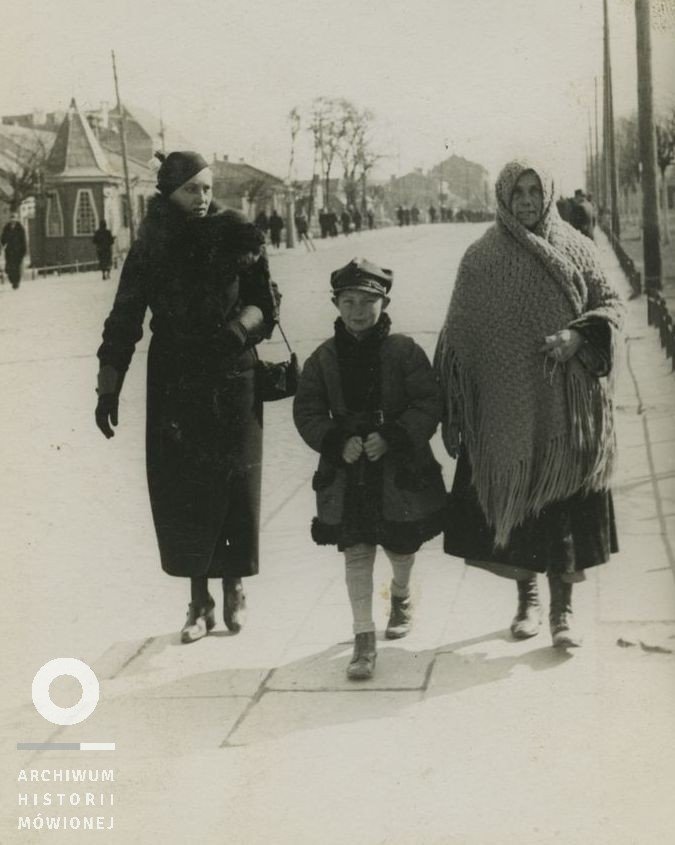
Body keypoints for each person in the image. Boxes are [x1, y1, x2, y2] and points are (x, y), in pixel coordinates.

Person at [435, 159, 624, 648]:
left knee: (564, 506)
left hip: (569, 404)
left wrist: (577, 337)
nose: (525, 200)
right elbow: (457, 338)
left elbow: (610, 306)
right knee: (520, 506)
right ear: (502, 196)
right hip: (508, 407)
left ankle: (563, 610)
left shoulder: (578, 247)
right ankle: (528, 601)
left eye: (534, 191)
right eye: (516, 191)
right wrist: (456, 409)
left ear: (549, 194)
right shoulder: (480, 259)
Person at [95, 151, 278, 643]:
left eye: (207, 188)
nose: (202, 198)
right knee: (184, 490)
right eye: (191, 189)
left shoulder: (239, 233)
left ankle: (234, 584)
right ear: (169, 193)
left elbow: (265, 304)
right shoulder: (150, 245)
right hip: (176, 379)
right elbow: (125, 317)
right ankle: (199, 601)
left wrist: (237, 332)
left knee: (235, 485)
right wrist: (109, 385)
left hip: (233, 374)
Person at [293, 258, 446, 680]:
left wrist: (395, 435)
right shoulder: (323, 358)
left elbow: (429, 401)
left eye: (367, 301)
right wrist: (335, 441)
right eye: (348, 302)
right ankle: (363, 638)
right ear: (336, 305)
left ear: (385, 303)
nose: (357, 311)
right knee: (356, 551)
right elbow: (307, 410)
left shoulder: (404, 351)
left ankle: (400, 594)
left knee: (401, 547)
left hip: (397, 470)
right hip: (348, 472)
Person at [1, 212, 27, 289]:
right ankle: (12, 280)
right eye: (11, 218)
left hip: (18, 251)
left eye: (14, 218)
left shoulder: (20, 228)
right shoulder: (6, 227)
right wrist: (2, 244)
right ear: (10, 219)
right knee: (9, 268)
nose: (13, 220)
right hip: (9, 251)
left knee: (17, 267)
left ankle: (16, 282)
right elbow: (3, 238)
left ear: (17, 219)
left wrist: (24, 250)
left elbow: (23, 240)